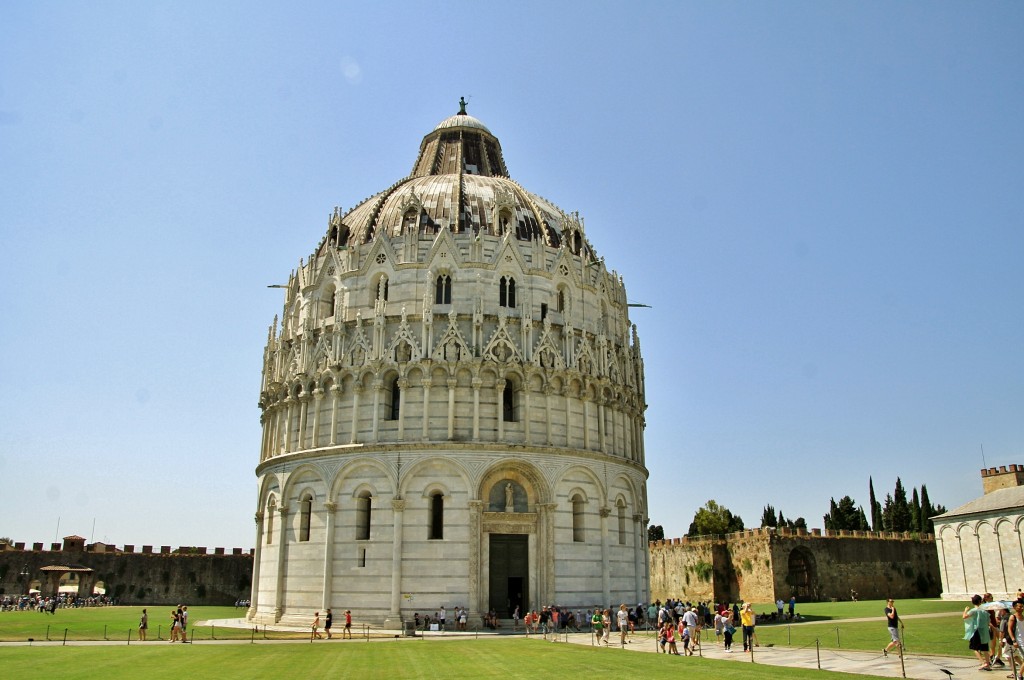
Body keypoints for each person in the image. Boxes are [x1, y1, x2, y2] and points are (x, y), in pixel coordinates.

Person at [964, 594, 992, 670]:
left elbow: (964, 617)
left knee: (974, 648)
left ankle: (983, 663)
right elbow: (988, 621)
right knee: (985, 649)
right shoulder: (984, 611)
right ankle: (988, 665)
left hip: (976, 631)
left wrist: (965, 610)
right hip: (984, 631)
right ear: (980, 601)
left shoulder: (973, 610)